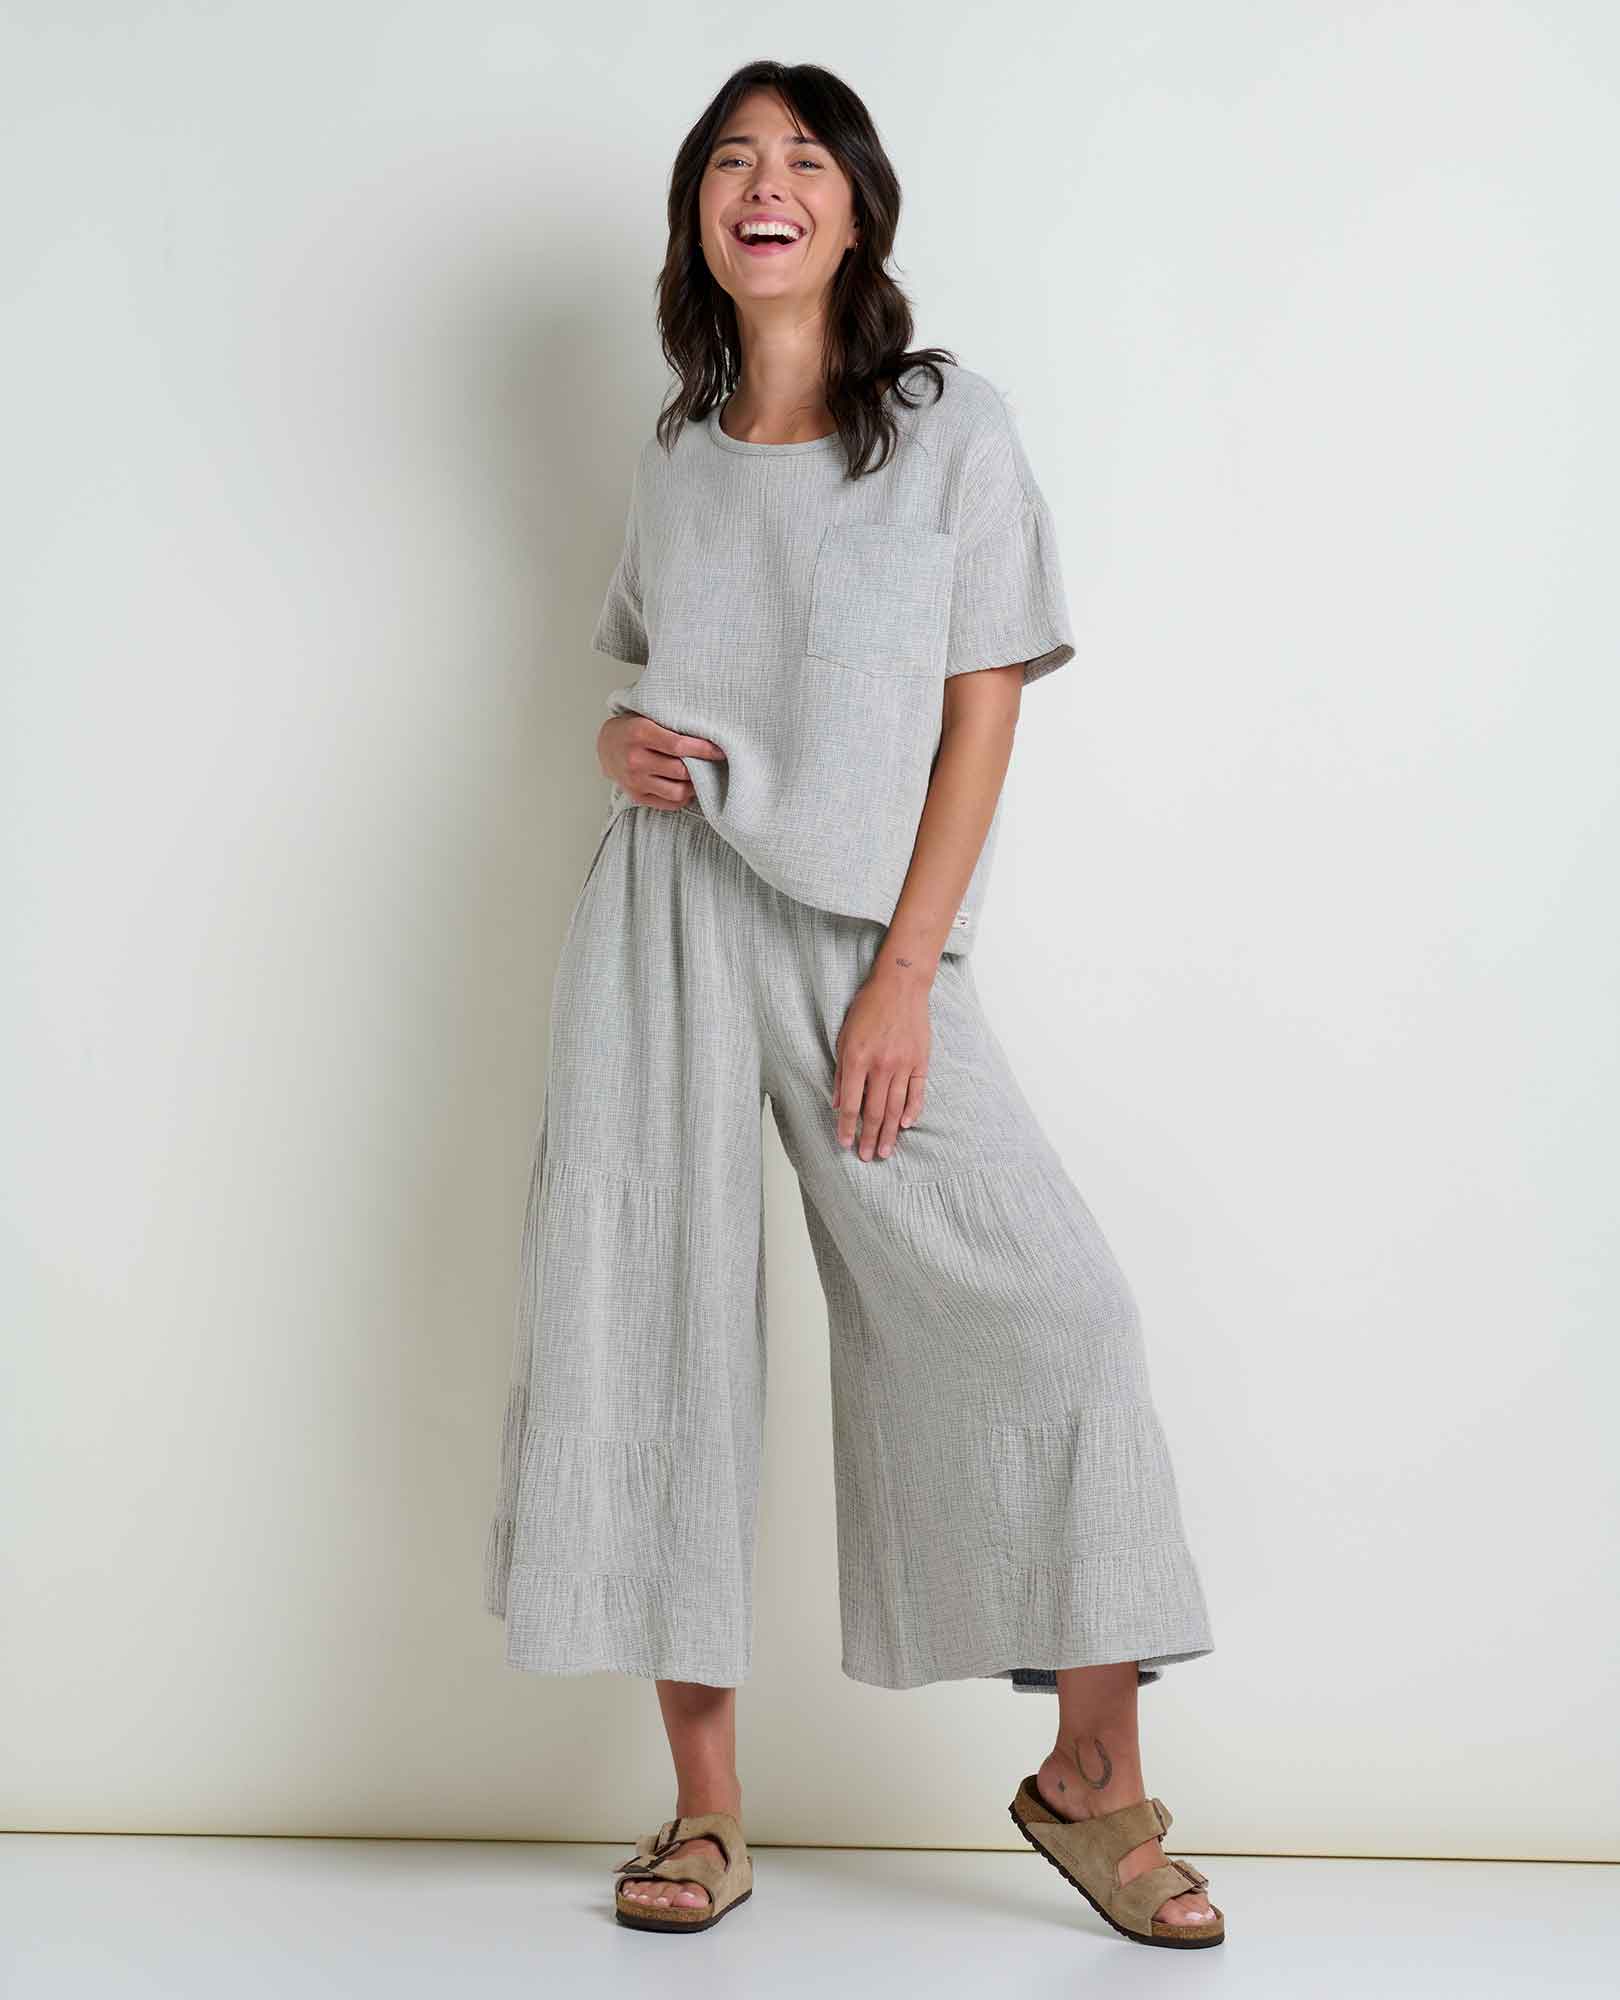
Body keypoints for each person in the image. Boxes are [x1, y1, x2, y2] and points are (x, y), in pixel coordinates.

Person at [482, 62, 1224, 1949]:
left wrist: (907, 969)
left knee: (1053, 1303)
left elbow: (984, 705)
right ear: (698, 214)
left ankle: (1094, 1775)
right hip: (665, 909)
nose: (767, 183)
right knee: (653, 1324)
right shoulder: (679, 445)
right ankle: (706, 1809)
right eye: (733, 159)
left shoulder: (946, 427)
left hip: (863, 937)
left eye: (804, 158)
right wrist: (616, 740)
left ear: (857, 207)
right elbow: (658, 675)